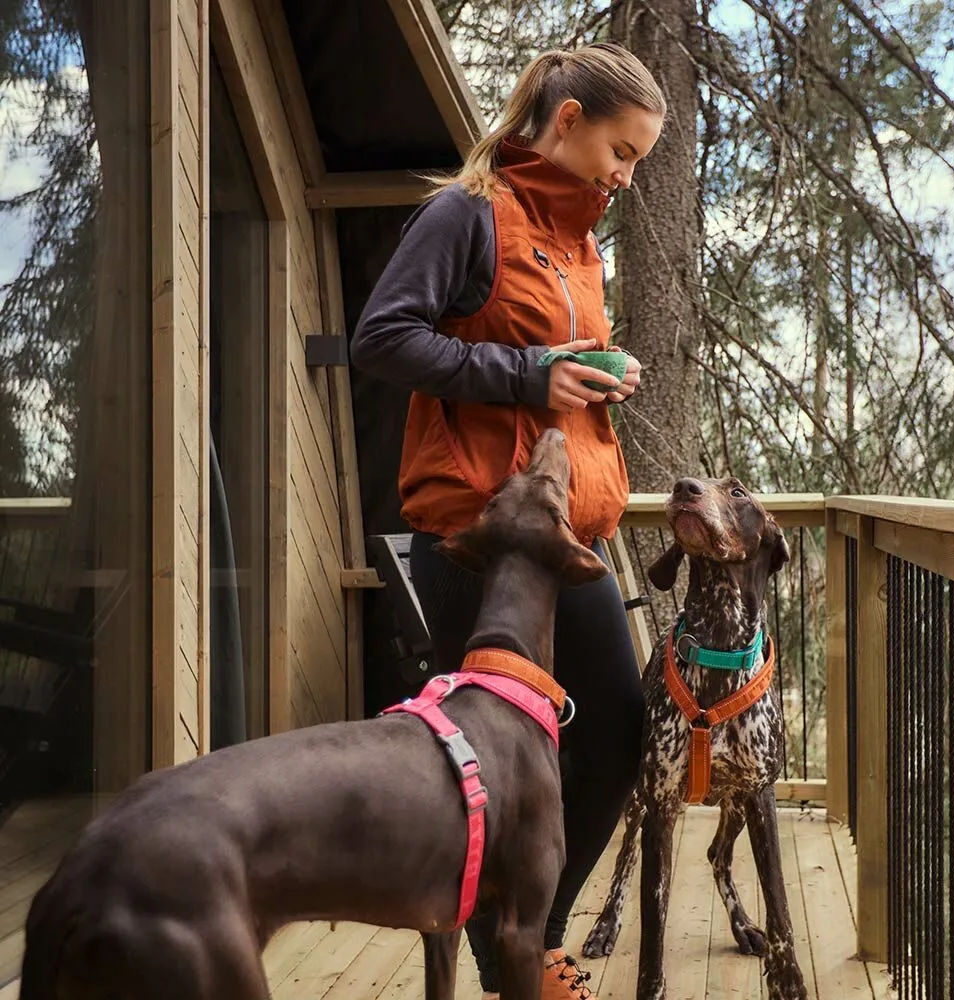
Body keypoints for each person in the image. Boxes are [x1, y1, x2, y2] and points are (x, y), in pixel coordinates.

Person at [351, 41, 665, 1000]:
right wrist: (527, 373)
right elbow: (384, 338)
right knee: (489, 769)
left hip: (572, 538)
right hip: (484, 543)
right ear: (567, 121)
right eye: (622, 151)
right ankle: (511, 963)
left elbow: (544, 371)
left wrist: (592, 378)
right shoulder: (466, 214)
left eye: (639, 161)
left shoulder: (578, 242)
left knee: (615, 733)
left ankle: (530, 940)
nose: (625, 174)